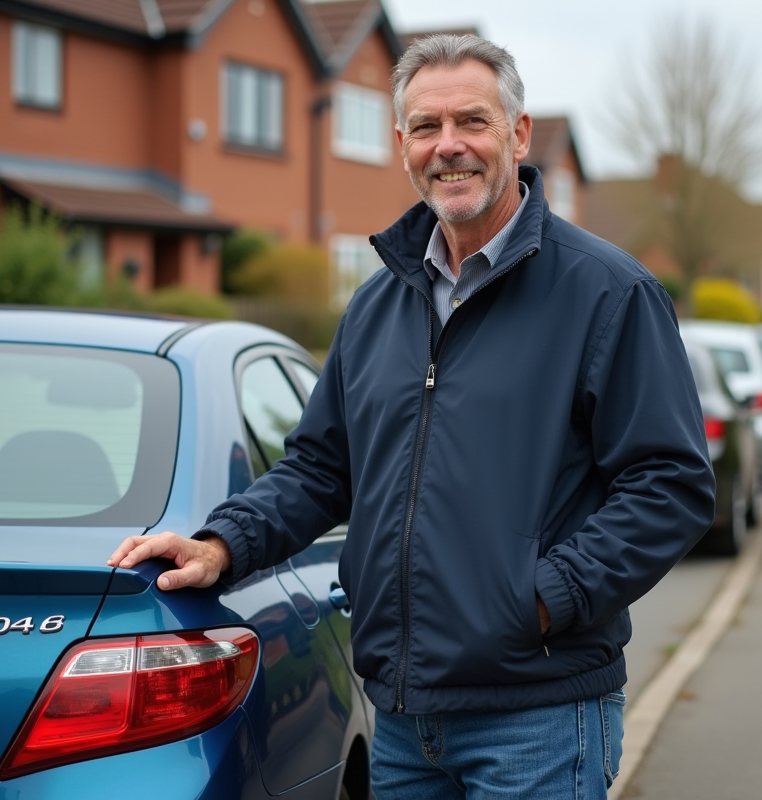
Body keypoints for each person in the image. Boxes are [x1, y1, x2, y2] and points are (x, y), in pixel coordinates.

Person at [109, 34, 715, 799]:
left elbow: (671, 484)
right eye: (427, 127)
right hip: (402, 719)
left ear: (519, 134)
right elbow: (322, 467)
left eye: (473, 121)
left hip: (537, 715)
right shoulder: (377, 305)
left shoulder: (607, 294)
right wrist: (223, 542)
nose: (449, 147)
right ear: (401, 144)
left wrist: (544, 598)